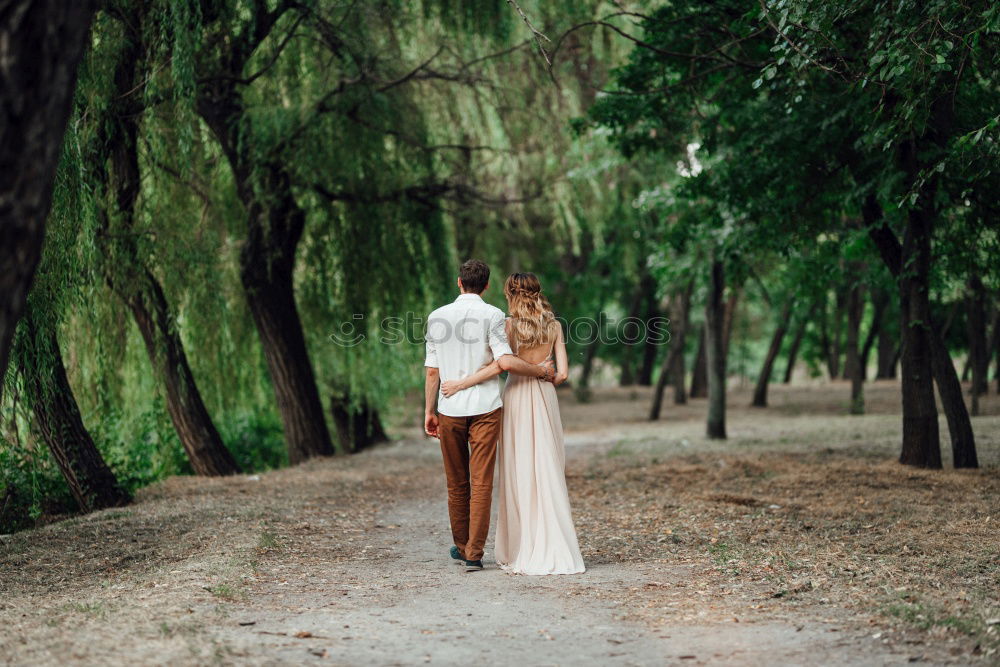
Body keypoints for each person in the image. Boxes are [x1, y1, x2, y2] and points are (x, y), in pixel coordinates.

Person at [441, 272, 585, 575]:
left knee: (519, 470)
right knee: (547, 466)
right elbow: (562, 375)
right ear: (538, 292)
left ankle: (521, 545)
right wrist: (544, 372)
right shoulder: (555, 326)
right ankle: (554, 542)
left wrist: (461, 383)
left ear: (510, 294)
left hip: (517, 396)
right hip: (545, 398)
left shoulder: (508, 326)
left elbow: (500, 365)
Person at [424, 260, 555, 572]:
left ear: (459, 283)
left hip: (449, 409)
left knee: (456, 482)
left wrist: (429, 411)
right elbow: (505, 360)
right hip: (486, 408)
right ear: (485, 286)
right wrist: (540, 371)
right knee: (482, 482)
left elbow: (432, 371)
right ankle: (474, 553)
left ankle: (461, 544)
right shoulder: (493, 314)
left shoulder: (437, 316)